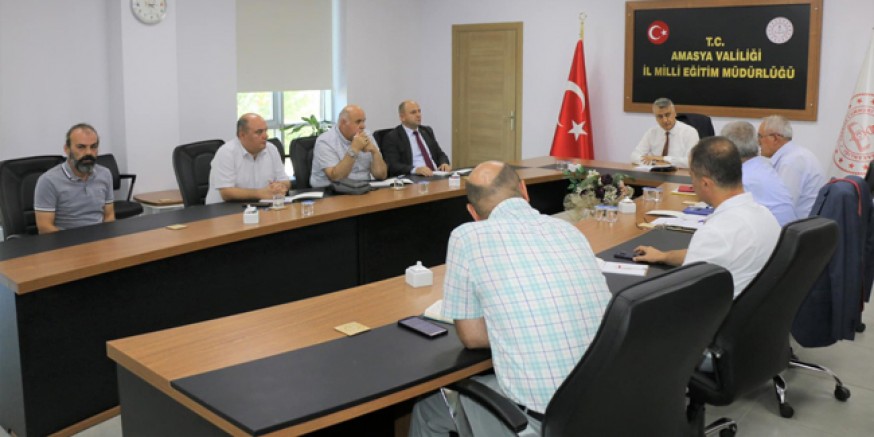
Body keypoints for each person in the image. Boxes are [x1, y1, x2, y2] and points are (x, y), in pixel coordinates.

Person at [409, 161, 611, 437]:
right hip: (605, 405)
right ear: (524, 190)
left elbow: (472, 337)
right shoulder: (568, 230)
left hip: (541, 421)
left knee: (428, 408)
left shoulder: (466, 237)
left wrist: (517, 326)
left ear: (473, 213)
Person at [633, 137, 780, 297]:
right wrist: (665, 256)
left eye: (692, 176)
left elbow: (685, 294)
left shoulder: (715, 233)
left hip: (721, 310)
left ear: (705, 183)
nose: (692, 183)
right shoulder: (766, 216)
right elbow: (710, 256)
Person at [34, 123, 115, 234]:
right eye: (81, 147)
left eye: (93, 147)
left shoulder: (104, 174)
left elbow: (109, 216)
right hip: (65, 241)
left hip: (100, 238)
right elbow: (45, 227)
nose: (88, 152)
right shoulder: (48, 181)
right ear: (67, 149)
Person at [721, 121, 797, 226]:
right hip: (783, 231)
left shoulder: (743, 179)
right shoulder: (763, 167)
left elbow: (727, 219)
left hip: (773, 234)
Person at [205, 113, 290, 204]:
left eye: (265, 131)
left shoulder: (271, 149)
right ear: (242, 135)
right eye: (259, 132)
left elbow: (285, 181)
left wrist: (279, 186)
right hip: (224, 209)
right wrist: (260, 193)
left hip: (260, 206)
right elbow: (226, 192)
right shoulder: (226, 152)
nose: (265, 136)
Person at [757, 115, 826, 218]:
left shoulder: (791, 162)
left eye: (760, 136)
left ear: (775, 138)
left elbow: (781, 208)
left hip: (800, 225)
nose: (758, 142)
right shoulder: (795, 155)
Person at [310, 104, 388, 188]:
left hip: (363, 188)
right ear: (343, 123)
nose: (363, 126)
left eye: (363, 121)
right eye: (358, 122)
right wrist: (354, 149)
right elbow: (336, 177)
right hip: (331, 191)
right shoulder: (325, 141)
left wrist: (374, 151)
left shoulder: (366, 135)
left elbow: (381, 175)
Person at [381, 100, 451, 177]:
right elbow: (393, 165)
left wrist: (444, 163)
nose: (418, 115)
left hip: (435, 174)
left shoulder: (427, 131)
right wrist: (415, 170)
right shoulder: (392, 137)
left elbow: (440, 154)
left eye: (419, 111)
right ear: (402, 117)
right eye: (413, 112)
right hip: (415, 177)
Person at [630, 97, 700, 168]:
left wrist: (663, 159)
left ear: (675, 113)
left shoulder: (690, 132)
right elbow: (634, 156)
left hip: (679, 173)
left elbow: (690, 162)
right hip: (655, 172)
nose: (665, 120)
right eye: (660, 116)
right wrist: (655, 163)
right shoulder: (652, 132)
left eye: (667, 115)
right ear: (655, 118)